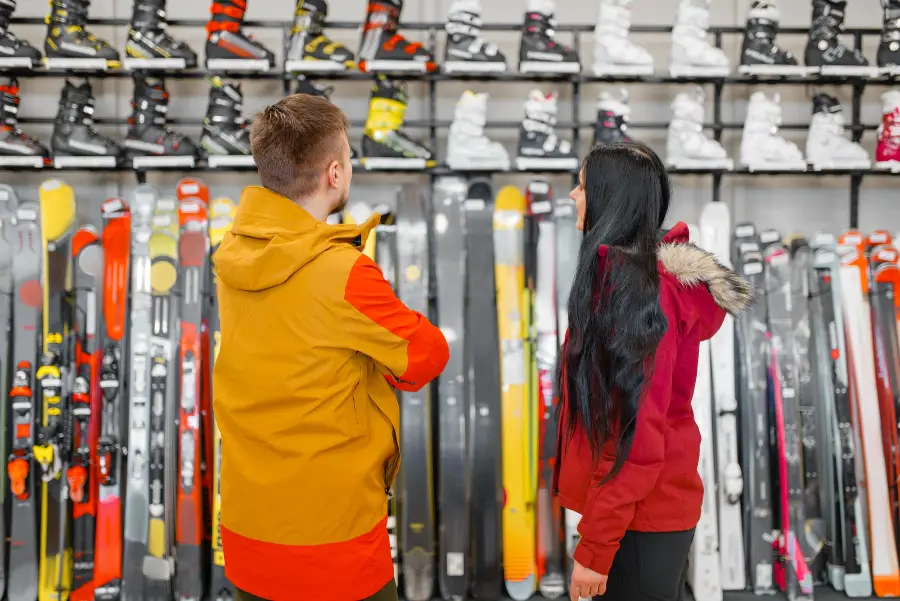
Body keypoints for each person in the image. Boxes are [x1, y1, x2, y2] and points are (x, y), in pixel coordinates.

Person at [212, 93, 450, 601]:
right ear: (335, 174)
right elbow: (427, 355)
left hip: (245, 530)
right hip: (331, 540)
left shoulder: (232, 253)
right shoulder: (343, 272)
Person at [554, 142, 751, 601]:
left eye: (582, 185)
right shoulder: (620, 284)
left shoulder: (643, 299)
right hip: (635, 513)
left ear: (610, 198)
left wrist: (596, 548)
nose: (572, 196)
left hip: (642, 519)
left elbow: (636, 441)